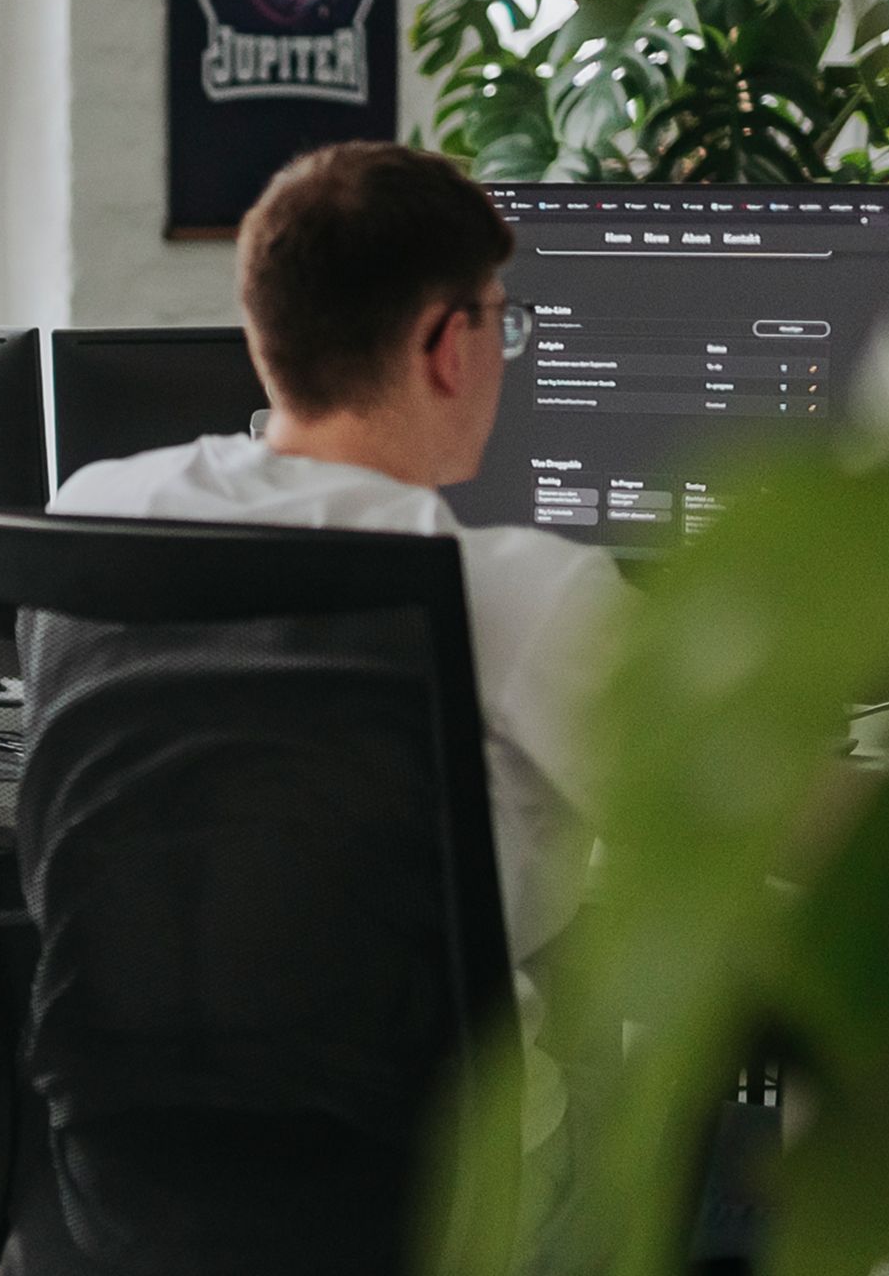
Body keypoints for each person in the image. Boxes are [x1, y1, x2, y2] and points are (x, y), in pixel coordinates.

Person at [48, 137, 623, 970]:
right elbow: (758, 824)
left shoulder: (95, 508)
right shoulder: (531, 593)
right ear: (446, 346)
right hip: (430, 1063)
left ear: (262, 336)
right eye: (502, 321)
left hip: (103, 1053)